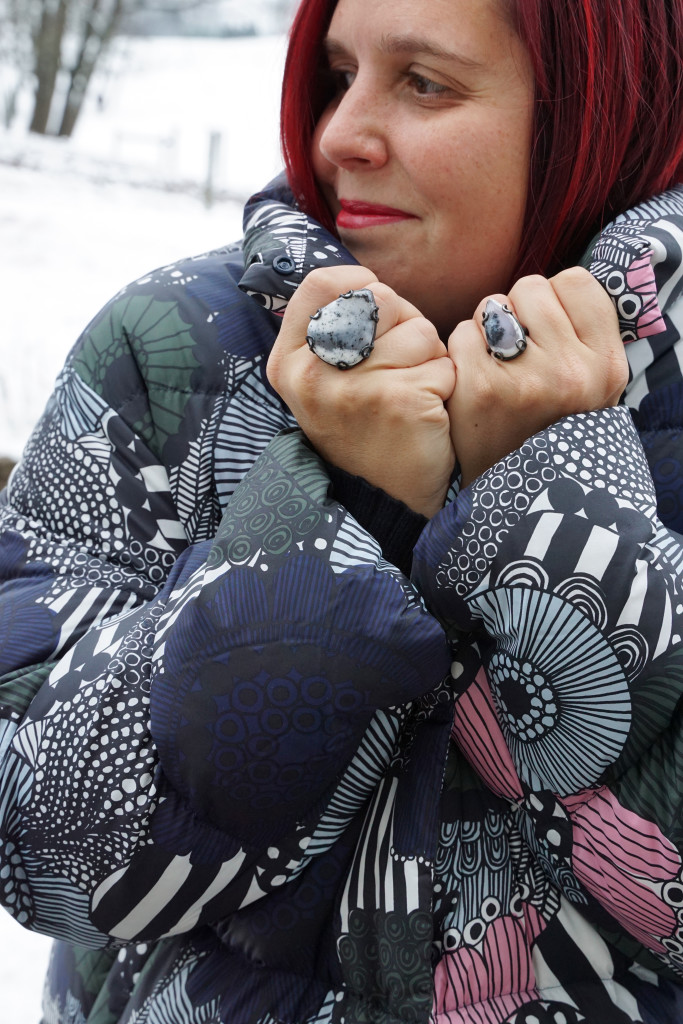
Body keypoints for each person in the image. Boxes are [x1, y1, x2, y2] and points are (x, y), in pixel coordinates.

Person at [1, 0, 683, 1021]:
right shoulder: (172, 351)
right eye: (337, 75)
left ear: (599, 118)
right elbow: (42, 842)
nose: (335, 137)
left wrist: (546, 501)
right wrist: (340, 508)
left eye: (423, 83)